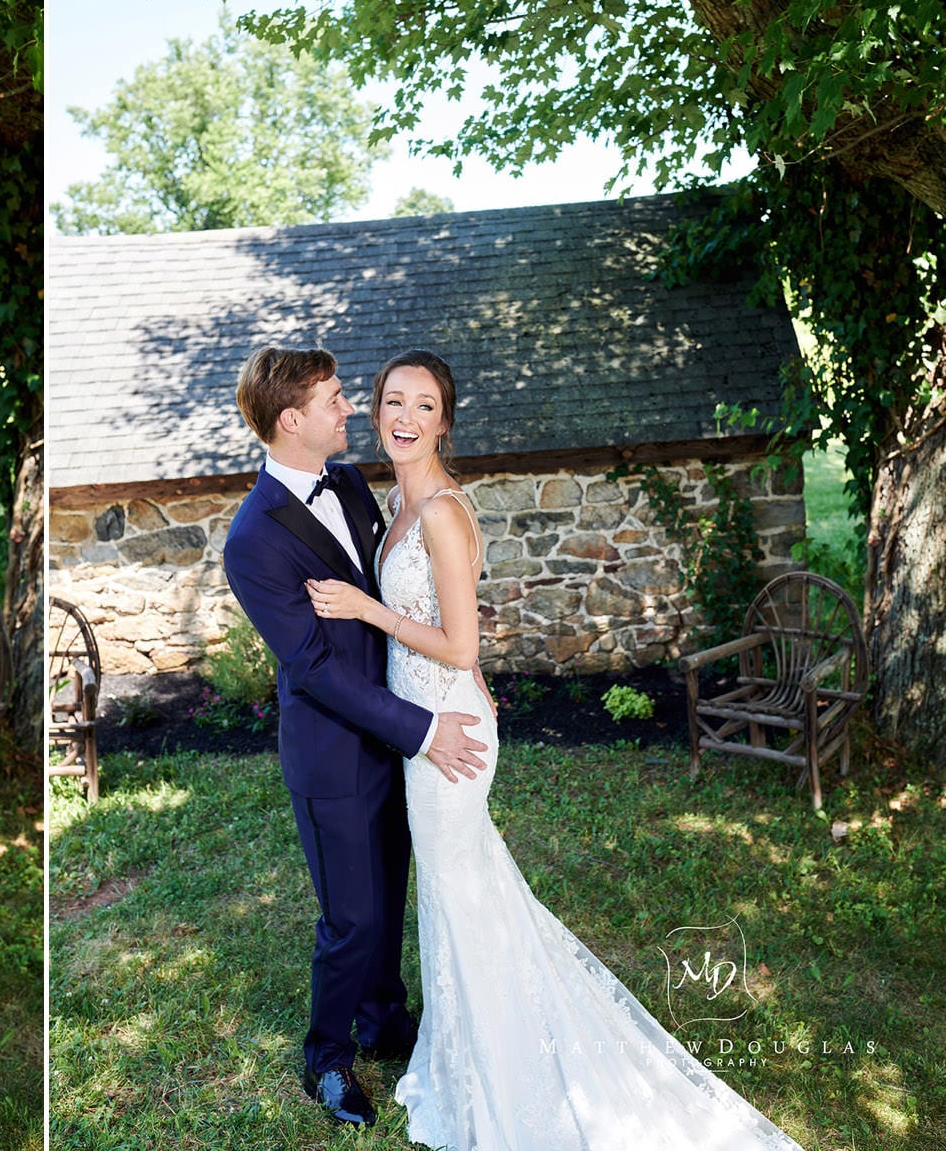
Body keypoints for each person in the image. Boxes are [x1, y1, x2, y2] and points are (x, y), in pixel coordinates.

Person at [306, 348, 807, 1150]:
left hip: (446, 735)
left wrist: (369, 611)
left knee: (459, 893)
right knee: (463, 893)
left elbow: (461, 645)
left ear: (445, 421)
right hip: (427, 720)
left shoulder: (438, 512)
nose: (405, 417)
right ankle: (469, 1047)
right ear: (375, 410)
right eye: (393, 400)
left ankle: (504, 1069)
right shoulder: (398, 501)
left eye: (424, 405)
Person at [221, 346, 489, 1128]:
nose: (351, 410)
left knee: (390, 890)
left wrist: (460, 679)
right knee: (352, 917)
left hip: (397, 729)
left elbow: (403, 597)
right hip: (335, 751)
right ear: (291, 420)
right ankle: (327, 1058)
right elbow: (311, 667)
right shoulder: (253, 539)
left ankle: (382, 1016)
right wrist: (422, 728)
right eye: (334, 400)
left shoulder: (345, 482)